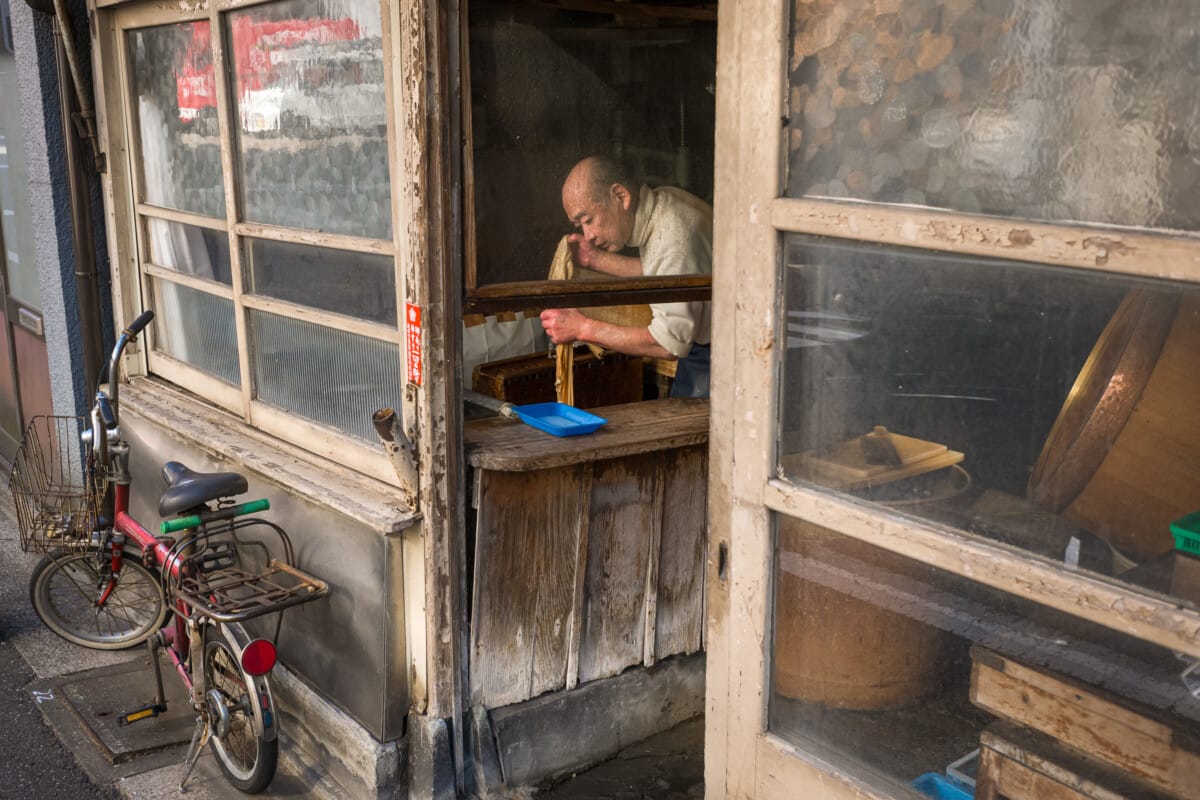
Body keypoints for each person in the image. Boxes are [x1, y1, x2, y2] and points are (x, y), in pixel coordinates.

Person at [540, 156, 713, 398]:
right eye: (580, 225)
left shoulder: (674, 236)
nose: (587, 235)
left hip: (722, 353)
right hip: (702, 346)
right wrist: (594, 259)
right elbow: (661, 269)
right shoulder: (664, 204)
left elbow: (666, 343)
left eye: (589, 220)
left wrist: (581, 328)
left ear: (621, 196)